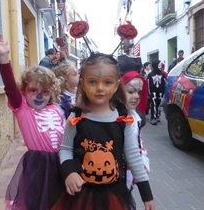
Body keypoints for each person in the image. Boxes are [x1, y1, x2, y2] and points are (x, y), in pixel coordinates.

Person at [52, 53, 155, 210]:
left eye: (107, 82)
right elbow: (66, 148)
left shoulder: (123, 119)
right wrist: (69, 172)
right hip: (81, 196)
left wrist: (146, 194)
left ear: (116, 85)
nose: (100, 88)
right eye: (92, 82)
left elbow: (133, 155)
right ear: (82, 84)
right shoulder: (76, 117)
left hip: (114, 196)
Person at [0, 33, 65, 210]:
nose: (39, 96)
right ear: (24, 91)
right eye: (33, 90)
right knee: (37, 202)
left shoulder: (56, 109)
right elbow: (10, 87)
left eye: (44, 92)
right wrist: (4, 58)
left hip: (62, 162)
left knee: (61, 201)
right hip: (38, 165)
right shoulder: (23, 109)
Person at [120, 70, 150, 192]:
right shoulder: (115, 118)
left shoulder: (135, 117)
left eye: (139, 92)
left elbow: (138, 142)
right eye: (131, 92)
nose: (137, 96)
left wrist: (143, 160)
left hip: (130, 174)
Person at [147, 60, 166, 125]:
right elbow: (148, 84)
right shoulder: (150, 75)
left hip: (160, 92)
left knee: (159, 104)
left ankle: (158, 115)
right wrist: (149, 93)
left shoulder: (162, 74)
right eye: (159, 65)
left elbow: (164, 83)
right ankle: (153, 118)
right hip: (153, 92)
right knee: (154, 104)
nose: (160, 67)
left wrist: (164, 92)